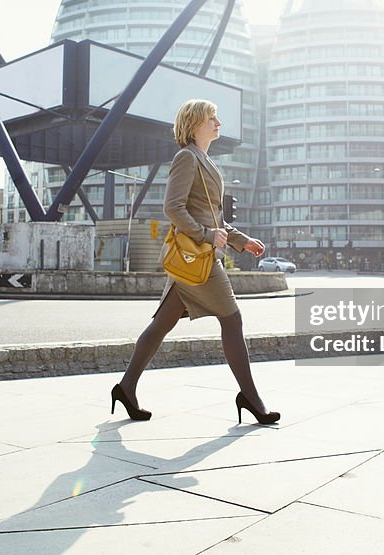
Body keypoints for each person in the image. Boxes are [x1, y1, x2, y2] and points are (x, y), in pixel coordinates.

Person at [111, 99, 280, 425]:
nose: (218, 124)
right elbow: (173, 209)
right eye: (212, 119)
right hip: (199, 258)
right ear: (195, 124)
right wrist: (205, 234)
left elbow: (214, 218)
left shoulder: (205, 161)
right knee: (232, 320)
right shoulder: (187, 158)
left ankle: (126, 387)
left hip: (195, 259)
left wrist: (242, 241)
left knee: (161, 324)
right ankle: (251, 398)